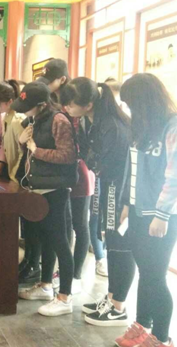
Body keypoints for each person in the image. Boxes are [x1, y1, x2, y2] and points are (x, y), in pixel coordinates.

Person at [113, 74, 177, 347]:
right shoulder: (143, 126)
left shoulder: (173, 126)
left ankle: (161, 338)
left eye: (132, 103)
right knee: (146, 272)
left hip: (163, 216)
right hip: (139, 211)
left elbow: (176, 177)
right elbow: (132, 169)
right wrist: (127, 204)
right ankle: (142, 326)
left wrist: (162, 214)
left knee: (155, 276)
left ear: (145, 100)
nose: (130, 109)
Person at [61, 77, 134, 327]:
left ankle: (118, 305)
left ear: (88, 104)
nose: (67, 108)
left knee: (118, 244)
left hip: (118, 188)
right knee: (111, 241)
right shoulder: (92, 120)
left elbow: (105, 163)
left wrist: (90, 159)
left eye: (71, 104)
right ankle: (112, 298)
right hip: (109, 184)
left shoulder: (111, 124)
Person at [14, 81, 77, 317]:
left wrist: (35, 149)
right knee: (45, 239)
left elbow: (68, 155)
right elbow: (31, 154)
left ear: (41, 104)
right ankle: (45, 285)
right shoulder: (35, 119)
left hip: (55, 190)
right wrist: (23, 143)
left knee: (60, 241)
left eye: (27, 107)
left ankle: (65, 297)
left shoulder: (58, 120)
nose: (24, 112)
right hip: (38, 188)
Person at [0, 80, 39, 284]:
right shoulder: (7, 118)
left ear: (9, 101)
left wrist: (17, 177)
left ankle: (32, 264)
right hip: (13, 176)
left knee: (29, 226)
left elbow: (25, 151)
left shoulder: (18, 119)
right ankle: (27, 262)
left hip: (21, 179)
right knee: (23, 225)